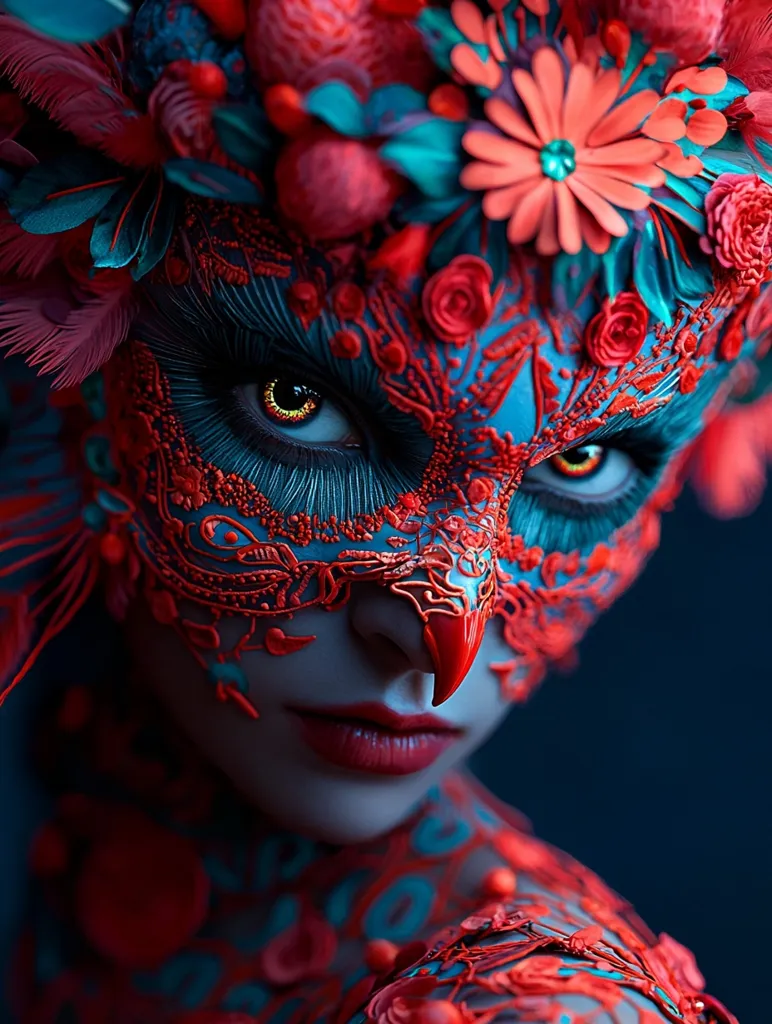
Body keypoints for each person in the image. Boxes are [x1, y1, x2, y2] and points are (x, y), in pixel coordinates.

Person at [0, 0, 770, 1020]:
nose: (440, 634)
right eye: (297, 401)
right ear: (81, 333)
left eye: (583, 458)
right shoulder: (81, 759)